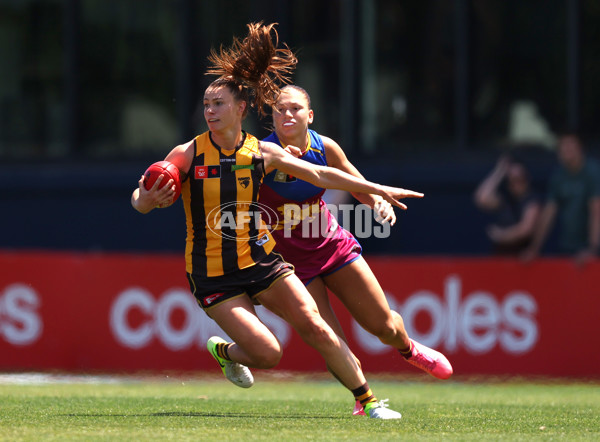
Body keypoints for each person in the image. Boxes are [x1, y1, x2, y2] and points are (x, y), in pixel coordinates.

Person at [131, 23, 424, 419]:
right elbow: (141, 200)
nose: (209, 112)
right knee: (268, 354)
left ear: (241, 108)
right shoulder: (189, 153)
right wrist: (146, 198)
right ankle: (225, 351)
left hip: (263, 262)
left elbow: (321, 175)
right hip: (214, 274)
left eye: (218, 104)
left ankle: (367, 402)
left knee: (316, 326)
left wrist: (375, 188)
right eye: (206, 104)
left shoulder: (261, 153)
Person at [258, 85, 453, 416]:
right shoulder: (262, 151)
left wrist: (377, 201)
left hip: (330, 244)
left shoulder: (325, 147)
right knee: (329, 339)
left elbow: (354, 183)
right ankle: (364, 400)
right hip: (288, 261)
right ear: (271, 116)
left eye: (294, 109)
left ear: (310, 115)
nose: (287, 115)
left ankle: (408, 349)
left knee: (383, 327)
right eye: (279, 110)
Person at [522, 133, 600, 266]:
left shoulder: (593, 172)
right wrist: (534, 249)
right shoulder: (558, 177)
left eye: (570, 147)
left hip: (592, 253)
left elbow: (596, 211)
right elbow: (549, 213)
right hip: (568, 249)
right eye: (562, 148)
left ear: (580, 148)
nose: (566, 152)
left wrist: (592, 249)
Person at [473, 154, 541, 255]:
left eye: (520, 179)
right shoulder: (505, 199)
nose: (517, 184)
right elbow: (481, 198)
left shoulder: (532, 200)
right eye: (513, 179)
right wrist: (500, 171)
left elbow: (526, 229)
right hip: (500, 256)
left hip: (522, 259)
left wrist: (501, 235)